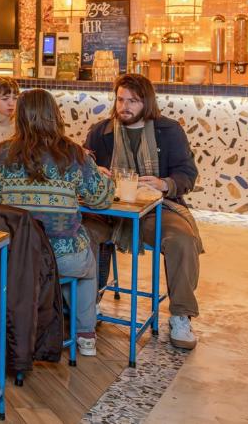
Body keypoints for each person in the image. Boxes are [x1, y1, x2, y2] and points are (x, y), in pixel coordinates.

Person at [0, 88, 114, 357]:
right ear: (55, 115)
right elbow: (101, 198)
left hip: (15, 258)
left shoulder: (2, 153)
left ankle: (28, 320)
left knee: (65, 262)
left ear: (19, 118)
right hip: (62, 257)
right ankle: (85, 335)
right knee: (87, 265)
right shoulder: (73, 153)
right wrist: (104, 177)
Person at [82, 74, 202, 350]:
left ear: (146, 102)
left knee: (181, 239)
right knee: (82, 233)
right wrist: (91, 171)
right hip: (107, 210)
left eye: (132, 101)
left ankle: (181, 314)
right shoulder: (101, 132)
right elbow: (83, 168)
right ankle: (87, 304)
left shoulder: (168, 131)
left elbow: (187, 173)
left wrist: (164, 184)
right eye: (120, 99)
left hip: (155, 210)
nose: (124, 106)